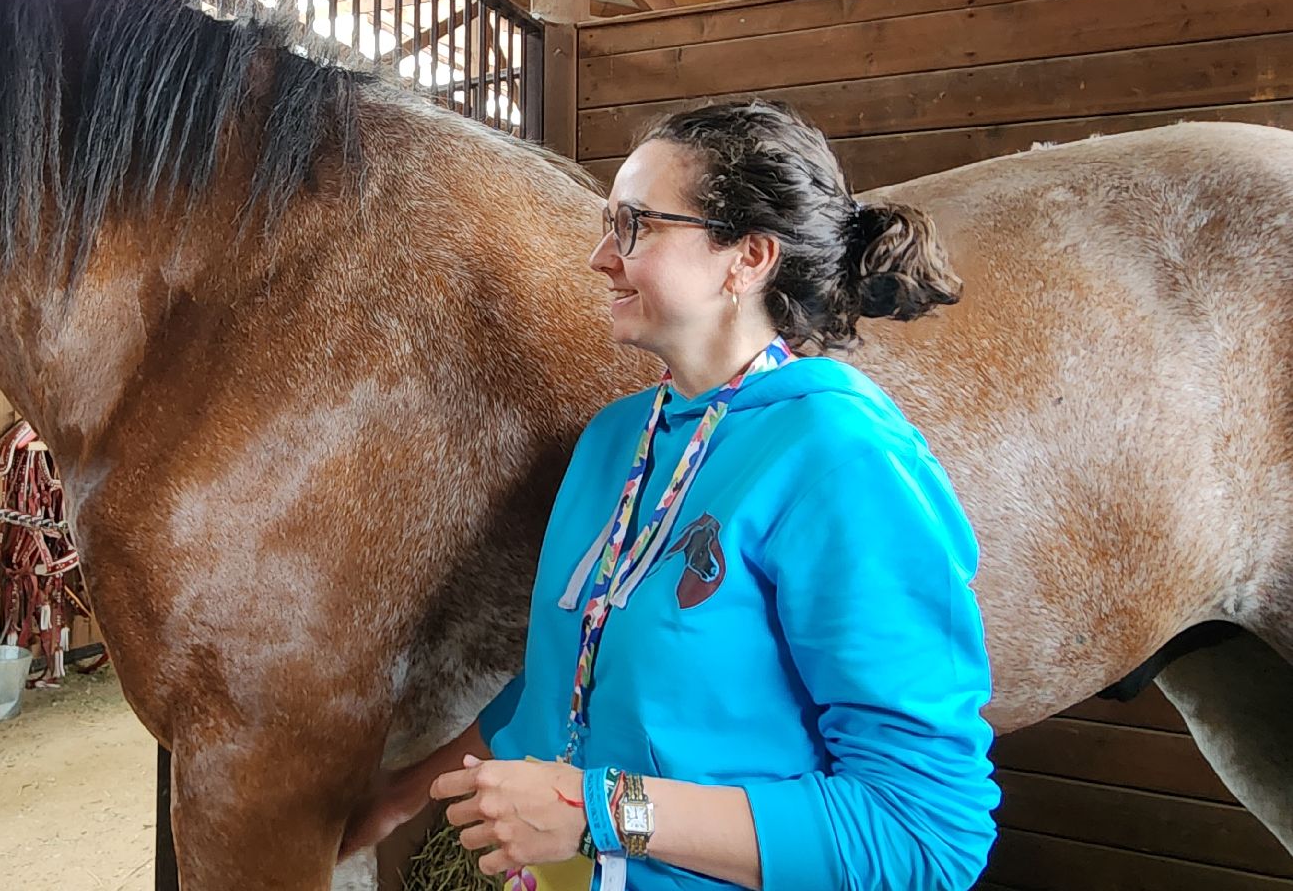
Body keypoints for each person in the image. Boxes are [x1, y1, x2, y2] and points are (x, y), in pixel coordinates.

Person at [348, 100, 999, 891]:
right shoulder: (616, 439)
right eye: (606, 223)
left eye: (636, 226)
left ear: (748, 258)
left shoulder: (841, 456)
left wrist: (600, 812)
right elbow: (574, 671)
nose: (599, 256)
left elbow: (927, 833)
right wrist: (404, 791)